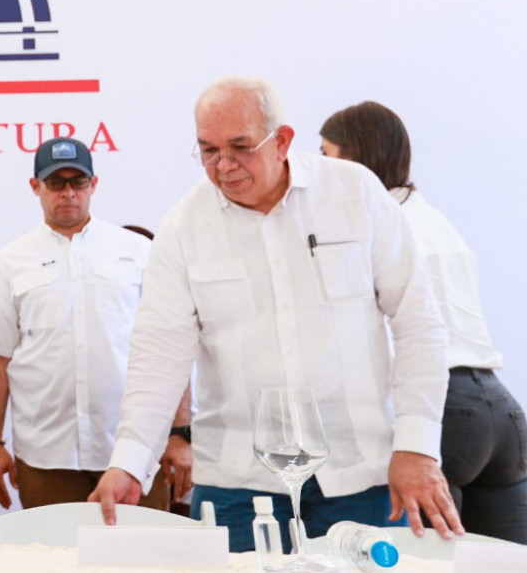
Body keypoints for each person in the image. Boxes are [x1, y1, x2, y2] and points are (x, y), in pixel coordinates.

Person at [90, 76, 463, 552]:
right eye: (208, 150)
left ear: (283, 141)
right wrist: (129, 461)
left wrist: (416, 446)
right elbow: (158, 353)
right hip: (237, 484)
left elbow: (418, 322)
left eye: (240, 147)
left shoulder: (354, 194)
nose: (223, 166)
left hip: (360, 473)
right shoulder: (183, 228)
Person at [320, 100, 527, 544]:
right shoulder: (435, 219)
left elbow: (406, 334)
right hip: (501, 412)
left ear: (355, 157)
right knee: (513, 565)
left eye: (325, 155)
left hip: (446, 410)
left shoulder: (381, 226)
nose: (318, 170)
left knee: (428, 563)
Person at [0, 137, 193, 512]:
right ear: (35, 186)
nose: (68, 193)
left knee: (145, 547)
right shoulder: (10, 262)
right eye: (56, 182)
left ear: (94, 184)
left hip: (136, 450)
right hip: (46, 455)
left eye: (78, 181)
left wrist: (179, 433)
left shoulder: (138, 251)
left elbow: (169, 345)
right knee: (52, 548)